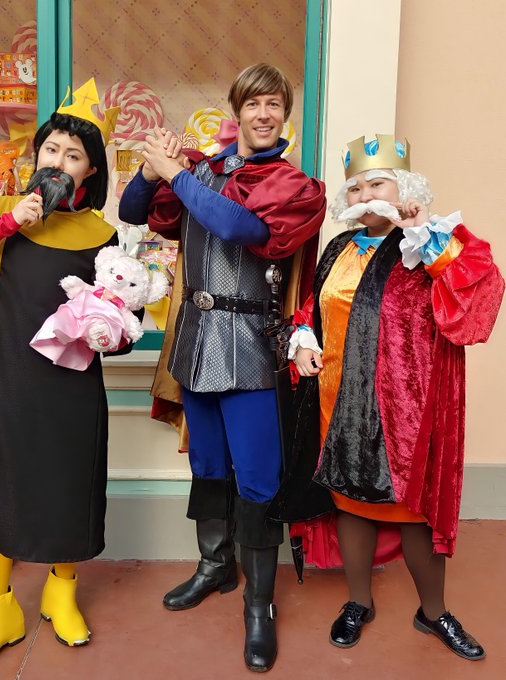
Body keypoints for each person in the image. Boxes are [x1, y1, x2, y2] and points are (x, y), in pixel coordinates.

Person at [119, 63, 326, 672]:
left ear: (285, 115)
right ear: (237, 111)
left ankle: (259, 606)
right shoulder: (203, 171)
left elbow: (243, 227)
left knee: (257, 476)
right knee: (207, 464)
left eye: (274, 104)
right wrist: (150, 167)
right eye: (253, 103)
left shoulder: (296, 185)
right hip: (195, 339)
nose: (264, 114)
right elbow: (134, 211)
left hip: (253, 344)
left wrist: (177, 172)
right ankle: (215, 566)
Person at [0, 78, 124, 674]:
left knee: (67, 483)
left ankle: (62, 593)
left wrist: (112, 329)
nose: (57, 161)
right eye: (51, 149)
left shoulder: (104, 235)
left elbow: (120, 312)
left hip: (71, 387)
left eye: (73, 155)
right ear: (36, 156)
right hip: (2, 378)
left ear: (90, 172)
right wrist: (7, 222)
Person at [284, 134, 504, 660]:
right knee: (350, 503)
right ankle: (358, 601)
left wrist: (425, 235)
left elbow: (477, 296)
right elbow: (316, 307)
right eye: (355, 188)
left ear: (404, 188)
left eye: (377, 184)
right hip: (339, 402)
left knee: (413, 513)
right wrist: (304, 338)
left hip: (407, 407)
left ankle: (434, 612)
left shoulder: (429, 240)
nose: (364, 195)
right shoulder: (338, 248)